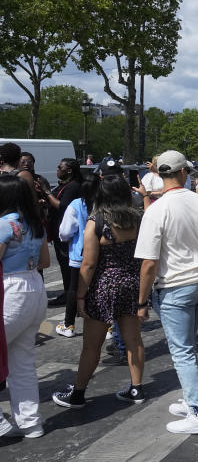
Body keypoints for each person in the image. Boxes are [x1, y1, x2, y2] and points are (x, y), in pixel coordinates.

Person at [134, 150, 198, 434]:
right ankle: (191, 398)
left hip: (174, 286)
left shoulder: (156, 209)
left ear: (158, 174)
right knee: (189, 347)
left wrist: (141, 301)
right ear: (183, 173)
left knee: (181, 352)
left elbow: (149, 263)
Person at [51, 174, 147, 409]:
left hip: (103, 287)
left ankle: (78, 393)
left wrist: (80, 296)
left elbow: (89, 264)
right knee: (133, 341)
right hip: (132, 284)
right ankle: (136, 389)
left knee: (91, 345)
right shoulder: (139, 219)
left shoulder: (98, 221)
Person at [0, 176, 50, 438]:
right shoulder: (34, 224)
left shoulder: (3, 225)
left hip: (10, 290)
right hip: (33, 288)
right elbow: (44, 262)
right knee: (23, 361)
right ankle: (30, 422)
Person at [54, 173, 98, 338]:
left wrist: (68, 239)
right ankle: (106, 326)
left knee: (73, 289)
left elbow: (65, 232)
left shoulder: (76, 204)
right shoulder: (103, 204)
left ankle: (68, 325)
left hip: (79, 254)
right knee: (98, 288)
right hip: (100, 254)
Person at [44, 159, 83, 306]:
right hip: (58, 229)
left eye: (60, 167)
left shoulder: (73, 187)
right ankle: (68, 292)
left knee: (67, 264)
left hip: (67, 233)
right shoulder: (64, 185)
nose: (57, 169)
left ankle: (70, 294)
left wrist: (47, 192)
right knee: (63, 263)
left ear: (69, 171)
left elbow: (62, 206)